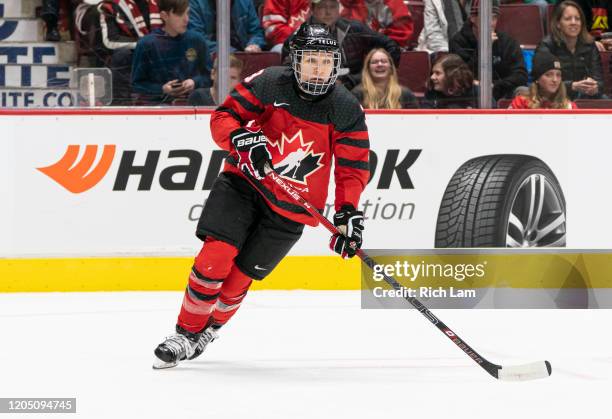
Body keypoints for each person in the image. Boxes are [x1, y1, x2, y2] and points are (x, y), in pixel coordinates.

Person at [152, 23, 370, 369]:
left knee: (240, 277)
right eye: (310, 59)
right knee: (216, 256)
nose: (318, 68)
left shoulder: (345, 108)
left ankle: (210, 330)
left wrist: (347, 213)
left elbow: (352, 168)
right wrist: (239, 139)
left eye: (325, 61)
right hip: (245, 184)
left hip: (291, 210)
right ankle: (185, 332)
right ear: (294, 61)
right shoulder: (270, 81)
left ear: (335, 64)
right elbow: (224, 117)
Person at [282, 0, 401, 90]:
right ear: (312, 9)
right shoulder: (298, 37)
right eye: (322, 7)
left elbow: (392, 47)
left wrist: (359, 78)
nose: (328, 12)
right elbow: (287, 72)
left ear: (338, 8)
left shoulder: (355, 29)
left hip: (356, 90)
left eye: (333, 7)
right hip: (314, 91)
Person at [131, 0, 212, 105]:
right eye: (179, 14)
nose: (186, 19)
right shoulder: (146, 44)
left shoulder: (197, 40)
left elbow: (210, 76)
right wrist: (162, 89)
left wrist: (194, 82)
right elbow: (137, 85)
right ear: (164, 16)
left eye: (187, 13)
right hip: (158, 109)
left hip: (193, 105)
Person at [449, 0, 528, 101]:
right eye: (485, 16)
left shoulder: (508, 42)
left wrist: (495, 86)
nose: (490, 23)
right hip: (470, 94)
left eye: (494, 17)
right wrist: (483, 49)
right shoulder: (458, 42)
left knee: (523, 91)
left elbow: (521, 75)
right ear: (473, 18)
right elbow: (459, 77)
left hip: (502, 91)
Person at [535, 0, 604, 99]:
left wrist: (595, 88)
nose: (573, 23)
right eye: (568, 19)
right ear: (558, 23)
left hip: (585, 97)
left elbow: (599, 81)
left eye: (577, 19)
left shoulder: (590, 45)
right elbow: (544, 84)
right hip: (555, 98)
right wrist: (573, 86)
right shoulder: (546, 45)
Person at [188, 0, 266, 54]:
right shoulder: (196, 3)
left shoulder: (245, 2)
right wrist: (231, 52)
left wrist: (254, 44)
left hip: (244, 55)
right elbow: (197, 38)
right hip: (210, 56)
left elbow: (256, 31)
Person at [351, 48, 419, 108]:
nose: (380, 64)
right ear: (368, 68)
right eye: (374, 62)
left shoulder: (405, 94)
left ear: (391, 67)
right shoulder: (357, 94)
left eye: (384, 61)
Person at [509, 50, 577, 108]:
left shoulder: (569, 106)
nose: (555, 80)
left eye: (558, 75)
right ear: (537, 79)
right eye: (548, 75)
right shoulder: (520, 103)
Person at [339, 0, 414, 48]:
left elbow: (402, 36)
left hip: (384, 56)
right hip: (355, 58)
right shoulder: (351, 4)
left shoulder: (394, 5)